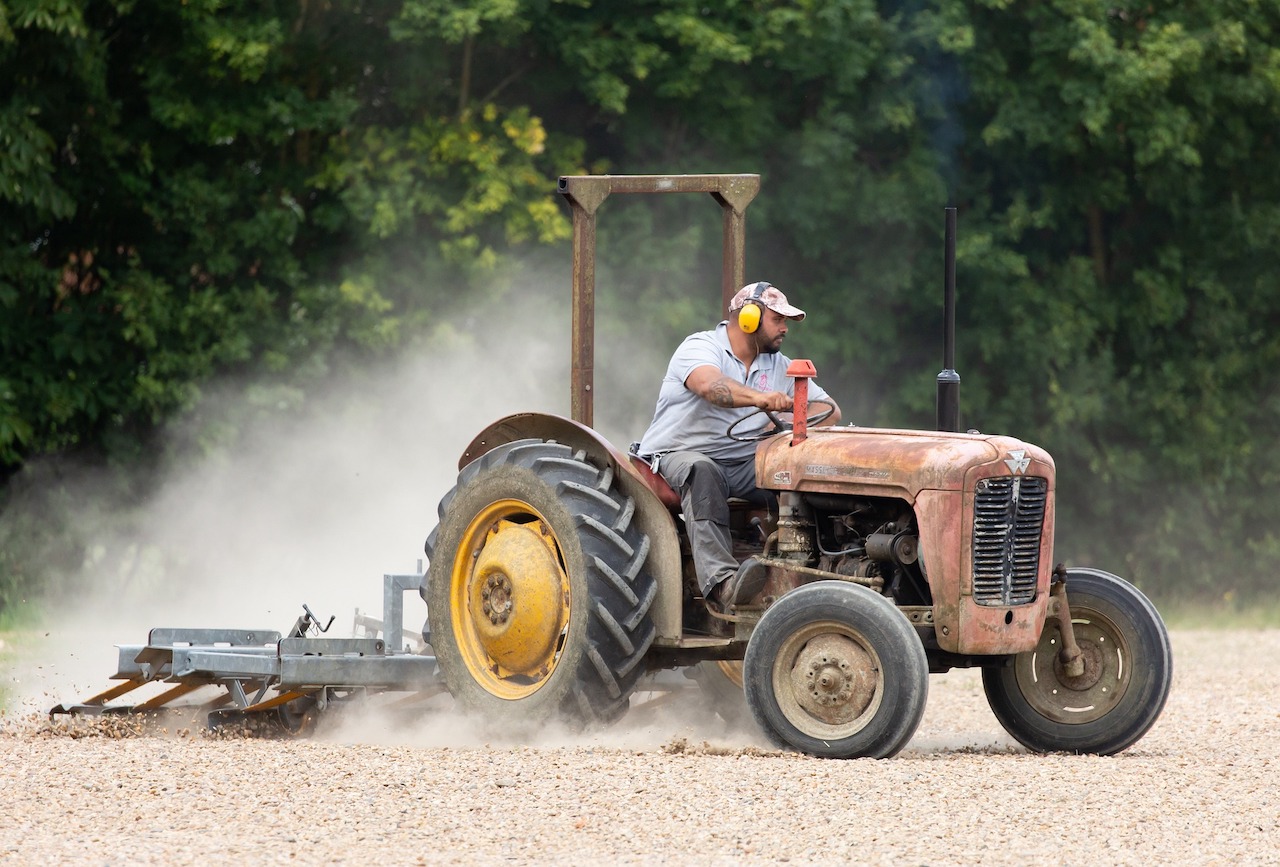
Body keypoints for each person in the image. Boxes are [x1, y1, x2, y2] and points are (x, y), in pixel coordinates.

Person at [635, 281, 841, 608]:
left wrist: (788, 423)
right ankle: (722, 585)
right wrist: (761, 399)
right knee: (703, 471)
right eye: (778, 320)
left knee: (797, 477)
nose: (785, 329)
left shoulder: (778, 364)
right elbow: (710, 386)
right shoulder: (700, 347)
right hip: (678, 456)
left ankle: (808, 570)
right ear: (748, 318)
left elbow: (829, 409)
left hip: (744, 464)